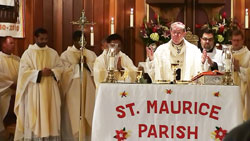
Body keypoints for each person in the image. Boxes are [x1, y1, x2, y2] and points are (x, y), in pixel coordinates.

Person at [14, 28, 64, 140]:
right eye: (41, 39)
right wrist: (39, 73)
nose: (44, 41)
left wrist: (52, 72)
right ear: (35, 37)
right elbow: (23, 72)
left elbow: (60, 67)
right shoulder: (28, 53)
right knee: (35, 116)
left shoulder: (53, 53)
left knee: (50, 116)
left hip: (50, 90)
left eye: (46, 39)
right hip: (34, 91)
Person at [60, 30, 96, 141]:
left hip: (89, 89)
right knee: (73, 114)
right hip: (73, 90)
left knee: (88, 111)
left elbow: (97, 70)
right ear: (74, 40)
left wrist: (86, 65)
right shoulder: (66, 55)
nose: (83, 42)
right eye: (80, 40)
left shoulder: (90, 54)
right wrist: (77, 66)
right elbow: (63, 72)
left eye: (84, 40)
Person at [0, 36, 20, 138]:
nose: (14, 45)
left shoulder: (17, 59)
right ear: (4, 45)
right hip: (5, 95)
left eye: (14, 43)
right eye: (11, 43)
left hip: (17, 95)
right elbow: (1, 78)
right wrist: (11, 85)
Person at [230, 30, 250, 121]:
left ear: (243, 41)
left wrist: (238, 68)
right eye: (234, 40)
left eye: (238, 40)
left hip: (243, 91)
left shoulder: (248, 55)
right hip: (229, 89)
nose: (236, 42)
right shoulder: (226, 53)